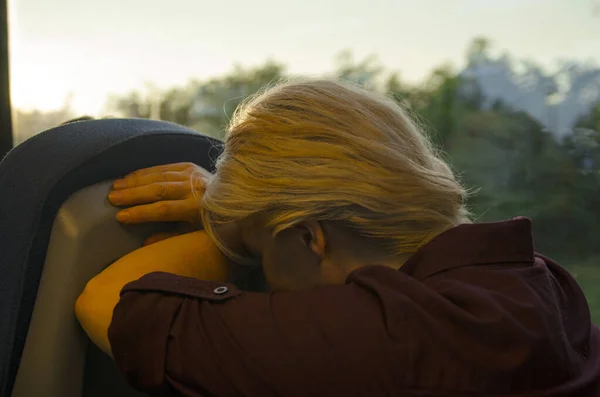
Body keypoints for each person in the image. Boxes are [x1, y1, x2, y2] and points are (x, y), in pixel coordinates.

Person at [74, 79, 600, 397]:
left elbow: (106, 303)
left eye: (256, 254)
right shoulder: (540, 279)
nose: (261, 276)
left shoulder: (375, 337)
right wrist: (255, 212)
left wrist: (226, 225)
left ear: (309, 237)